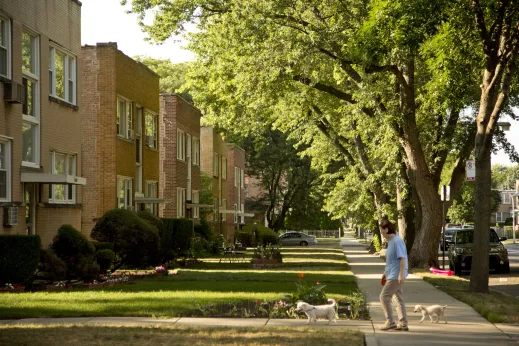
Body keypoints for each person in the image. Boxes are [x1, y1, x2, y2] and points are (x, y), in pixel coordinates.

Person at [379, 218, 408, 331]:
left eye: (381, 230)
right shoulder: (391, 242)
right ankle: (403, 323)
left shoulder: (397, 241)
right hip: (392, 273)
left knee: (384, 296)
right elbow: (391, 261)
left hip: (396, 275)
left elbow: (402, 259)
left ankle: (390, 321)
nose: (381, 232)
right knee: (397, 298)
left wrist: (401, 274)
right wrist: (385, 273)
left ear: (386, 229)